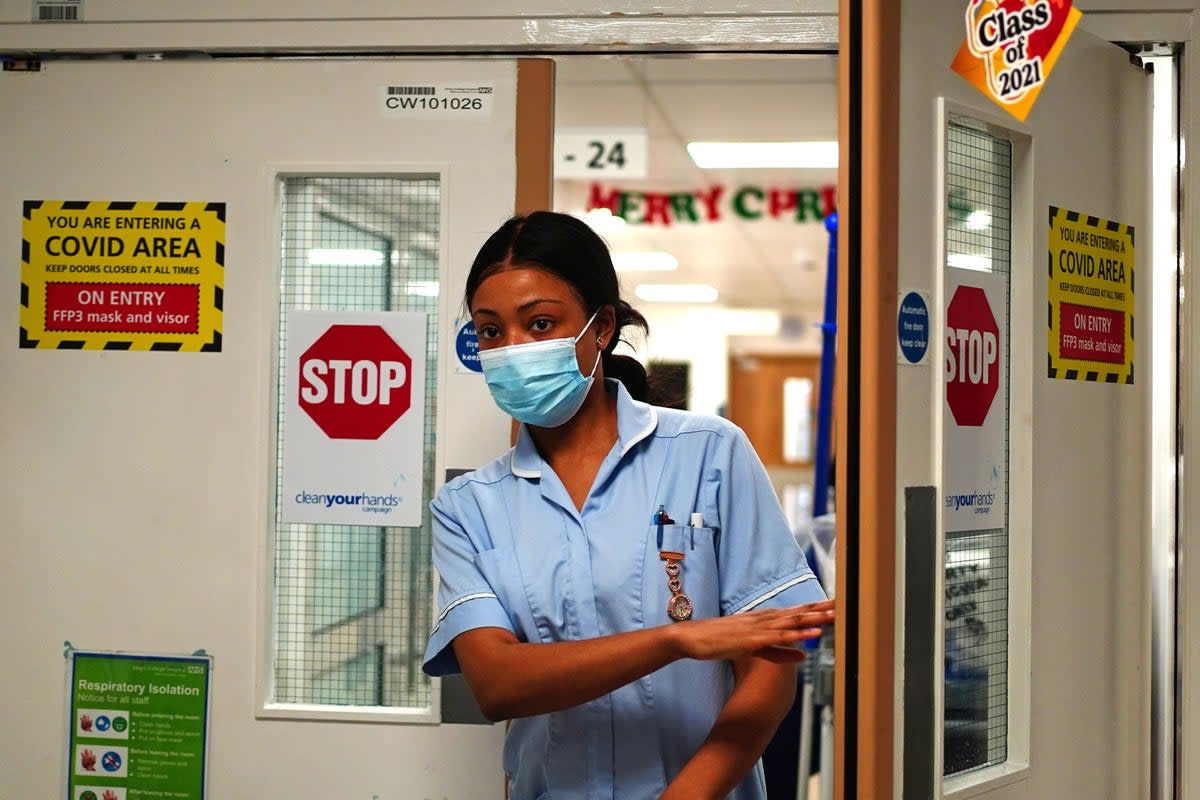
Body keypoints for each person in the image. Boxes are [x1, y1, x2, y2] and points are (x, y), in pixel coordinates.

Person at [422, 211, 833, 800]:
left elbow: (770, 665)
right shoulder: (469, 509)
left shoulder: (708, 453)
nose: (512, 349)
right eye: (491, 332)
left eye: (539, 324)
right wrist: (673, 640)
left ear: (601, 327)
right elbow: (497, 685)